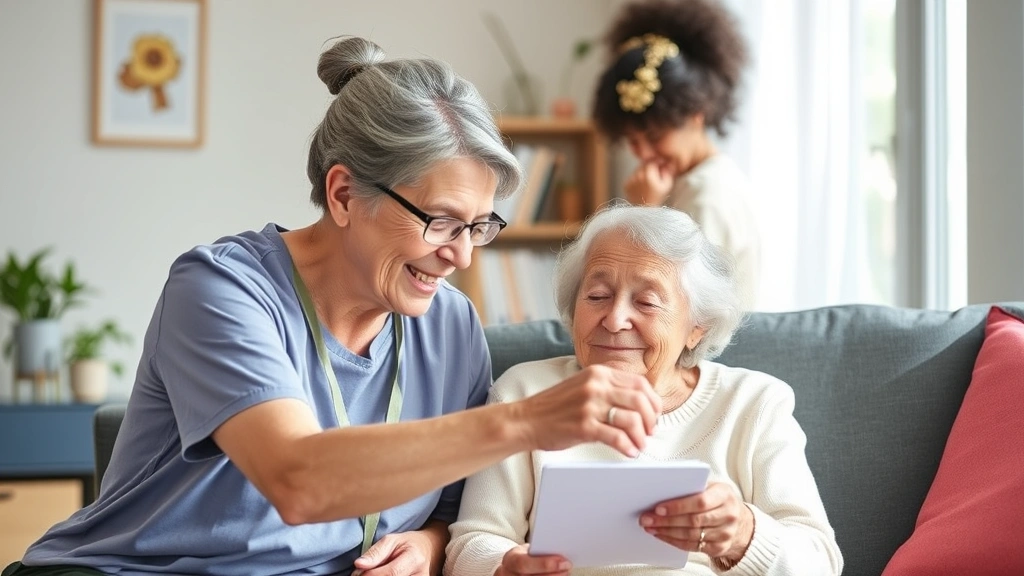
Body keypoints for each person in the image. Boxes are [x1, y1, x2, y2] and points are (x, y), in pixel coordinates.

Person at [4, 37, 664, 576]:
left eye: (478, 226)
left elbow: (452, 508)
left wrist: (429, 543)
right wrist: (524, 421)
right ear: (345, 195)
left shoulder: (450, 323)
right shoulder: (221, 291)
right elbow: (298, 480)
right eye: (440, 221)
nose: (461, 255)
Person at [445, 204, 843, 576]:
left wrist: (743, 535)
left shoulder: (753, 403)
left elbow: (821, 562)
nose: (615, 319)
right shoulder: (524, 394)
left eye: (647, 302)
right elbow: (471, 543)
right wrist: (503, 567)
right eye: (597, 296)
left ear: (697, 326)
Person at [591, 0, 761, 311]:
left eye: (655, 137)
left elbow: (670, 301)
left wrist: (645, 211)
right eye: (632, 140)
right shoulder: (704, 179)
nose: (643, 153)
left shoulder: (707, 196)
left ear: (697, 114)